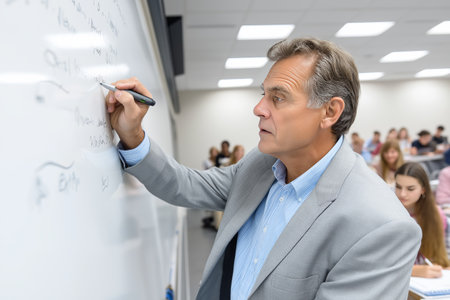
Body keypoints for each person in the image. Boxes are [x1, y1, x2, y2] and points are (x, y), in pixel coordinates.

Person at [105, 38, 421, 299]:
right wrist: (132, 135)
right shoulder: (262, 163)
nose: (259, 109)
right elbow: (184, 185)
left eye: (278, 98)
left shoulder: (381, 226)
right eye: (263, 95)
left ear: (330, 111)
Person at [395, 162, 449, 278]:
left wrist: (441, 268)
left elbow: (446, 255)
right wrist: (413, 271)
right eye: (398, 187)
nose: (402, 194)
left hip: (430, 283)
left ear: (423, 190)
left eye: (410, 189)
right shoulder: (389, 215)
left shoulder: (437, 215)